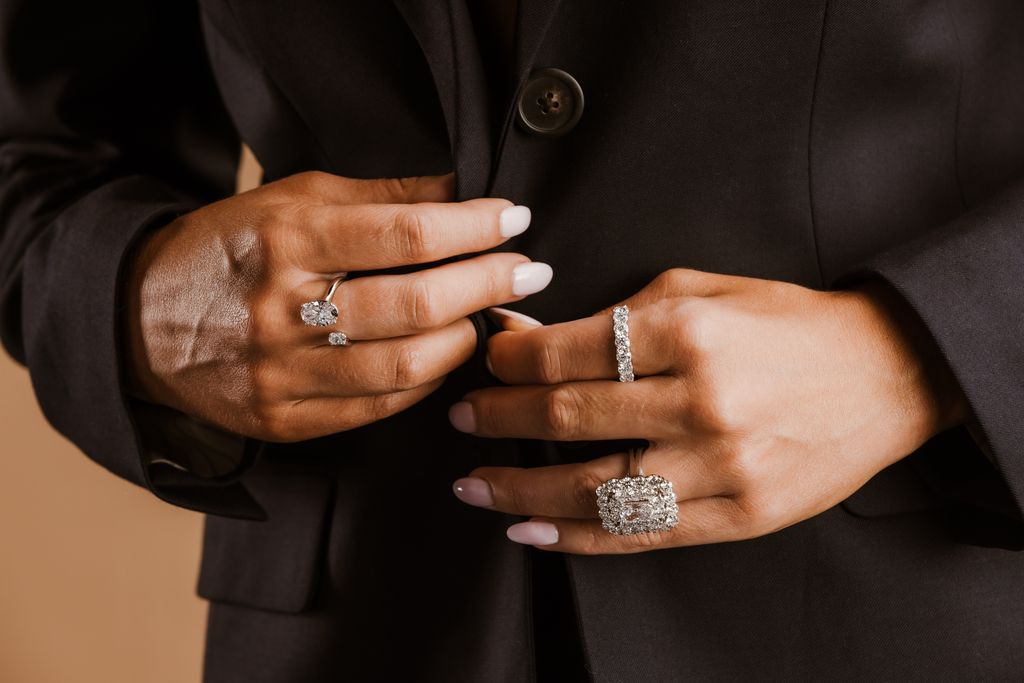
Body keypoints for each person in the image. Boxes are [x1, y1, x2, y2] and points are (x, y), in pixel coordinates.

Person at [1, 0, 1023, 680]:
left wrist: (913, 355)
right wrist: (132, 296)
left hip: (904, 612)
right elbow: (36, 143)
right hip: (363, 622)